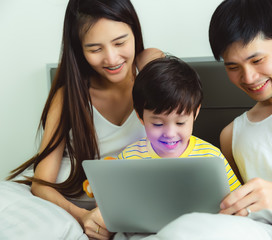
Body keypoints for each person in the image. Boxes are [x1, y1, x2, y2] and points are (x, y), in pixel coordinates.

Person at [140, 0, 272, 239]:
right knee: (182, 230)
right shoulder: (232, 135)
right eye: (233, 66)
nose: (249, 77)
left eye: (257, 60)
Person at [6, 0, 162, 239]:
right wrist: (82, 217)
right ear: (79, 49)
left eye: (120, 42)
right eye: (95, 49)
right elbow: (41, 183)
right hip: (72, 194)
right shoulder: (68, 96)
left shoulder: (151, 68)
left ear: (135, 33)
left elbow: (177, 118)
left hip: (130, 195)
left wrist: (150, 65)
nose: (111, 58)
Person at [83, 56, 241, 201]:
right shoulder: (130, 158)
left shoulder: (212, 158)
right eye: (158, 124)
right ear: (140, 116)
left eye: (180, 123)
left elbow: (235, 202)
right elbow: (114, 202)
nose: (170, 134)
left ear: (195, 113)